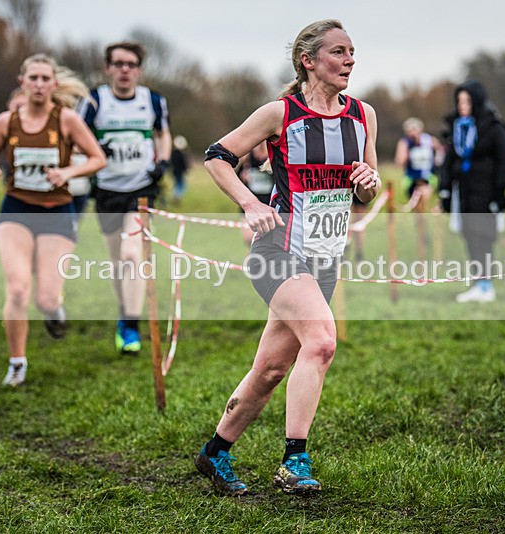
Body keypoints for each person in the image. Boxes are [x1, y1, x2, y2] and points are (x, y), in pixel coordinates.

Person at [197, 19, 380, 496]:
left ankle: (214, 453)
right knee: (321, 341)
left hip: (325, 258)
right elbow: (217, 155)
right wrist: (251, 203)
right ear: (309, 60)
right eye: (339, 52)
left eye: (352, 52)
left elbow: (366, 189)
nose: (349, 60)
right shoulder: (280, 112)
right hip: (277, 250)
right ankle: (293, 462)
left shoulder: (363, 115)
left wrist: (368, 185)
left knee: (272, 369)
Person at [0, 54, 106, 387]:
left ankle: (54, 309)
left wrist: (68, 171)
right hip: (16, 210)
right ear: (23, 82)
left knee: (46, 298)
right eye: (32, 77)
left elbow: (97, 158)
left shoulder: (66, 121)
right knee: (17, 288)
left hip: (57, 212)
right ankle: (17, 362)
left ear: (54, 84)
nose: (39, 84)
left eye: (45, 78)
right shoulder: (6, 121)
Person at [77, 41, 172, 356]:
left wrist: (163, 162)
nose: (124, 70)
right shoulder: (93, 101)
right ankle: (124, 313)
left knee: (134, 255)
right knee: (118, 263)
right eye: (118, 64)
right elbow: (75, 137)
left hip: (141, 189)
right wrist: (93, 150)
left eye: (131, 64)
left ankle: (131, 325)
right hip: (106, 190)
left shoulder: (153, 101)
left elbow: (163, 133)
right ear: (108, 68)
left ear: (139, 70)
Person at [438, 80, 505, 303]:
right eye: (459, 100)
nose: (462, 105)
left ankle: (486, 284)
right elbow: (448, 162)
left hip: (486, 190)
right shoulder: (456, 128)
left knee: (483, 236)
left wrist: (499, 193)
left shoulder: (493, 127)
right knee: (469, 235)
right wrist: (445, 190)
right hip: (464, 191)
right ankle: (478, 282)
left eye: (467, 100)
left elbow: (503, 161)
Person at [394, 117, 444, 201]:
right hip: (411, 177)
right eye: (410, 131)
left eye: (414, 130)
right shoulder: (404, 143)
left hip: (428, 176)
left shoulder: (429, 140)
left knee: (424, 198)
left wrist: (437, 161)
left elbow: (441, 151)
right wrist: (406, 154)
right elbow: (399, 162)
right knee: (414, 202)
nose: (413, 134)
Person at [237, 140, 274, 244]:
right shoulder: (247, 157)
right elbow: (236, 178)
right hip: (251, 202)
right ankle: (252, 258)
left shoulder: (273, 155)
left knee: (268, 241)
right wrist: (243, 175)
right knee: (249, 239)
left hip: (269, 203)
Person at [170, 135, 190, 205]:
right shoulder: (181, 154)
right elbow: (184, 164)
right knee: (180, 185)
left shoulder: (172, 154)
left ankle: (175, 195)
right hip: (180, 172)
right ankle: (177, 196)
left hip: (174, 172)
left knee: (176, 184)